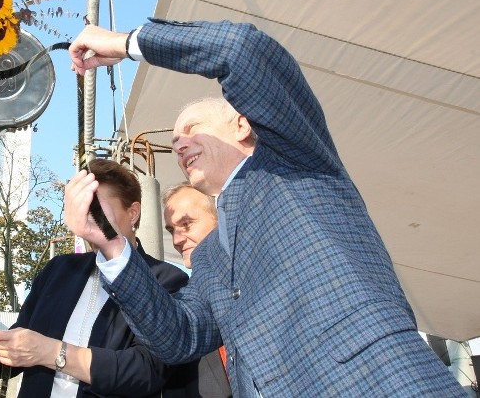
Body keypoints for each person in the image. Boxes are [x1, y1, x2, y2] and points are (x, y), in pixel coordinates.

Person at [64, 20, 464, 397]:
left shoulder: (294, 159)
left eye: (191, 129)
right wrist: (112, 247)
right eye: (175, 140)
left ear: (242, 124)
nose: (180, 144)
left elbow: (242, 50)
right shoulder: (208, 258)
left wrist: (126, 43)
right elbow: (178, 337)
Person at [0, 158, 201, 397]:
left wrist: (51, 352)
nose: (86, 217)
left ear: (133, 213)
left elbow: (146, 371)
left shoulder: (166, 279)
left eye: (96, 207)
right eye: (80, 207)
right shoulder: (58, 270)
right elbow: (16, 357)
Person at [162, 184, 232, 398]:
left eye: (187, 224)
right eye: (171, 230)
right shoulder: (183, 312)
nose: (177, 239)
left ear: (221, 218)